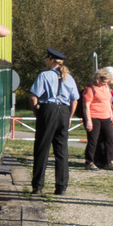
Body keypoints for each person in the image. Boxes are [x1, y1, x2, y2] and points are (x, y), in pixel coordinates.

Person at [30, 48, 80, 193]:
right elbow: (75, 100)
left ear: (51, 61)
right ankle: (61, 187)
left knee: (42, 148)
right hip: (64, 111)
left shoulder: (44, 75)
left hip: (48, 109)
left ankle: (38, 186)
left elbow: (34, 97)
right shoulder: (69, 78)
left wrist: (38, 113)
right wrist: (69, 116)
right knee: (61, 150)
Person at [80, 69, 113, 170]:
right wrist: (88, 121)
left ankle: (109, 161)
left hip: (106, 117)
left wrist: (111, 113)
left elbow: (108, 101)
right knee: (93, 140)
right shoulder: (90, 89)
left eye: (106, 81)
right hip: (94, 117)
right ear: (98, 79)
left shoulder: (106, 87)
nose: (105, 83)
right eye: (103, 81)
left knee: (109, 139)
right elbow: (86, 106)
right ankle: (89, 161)